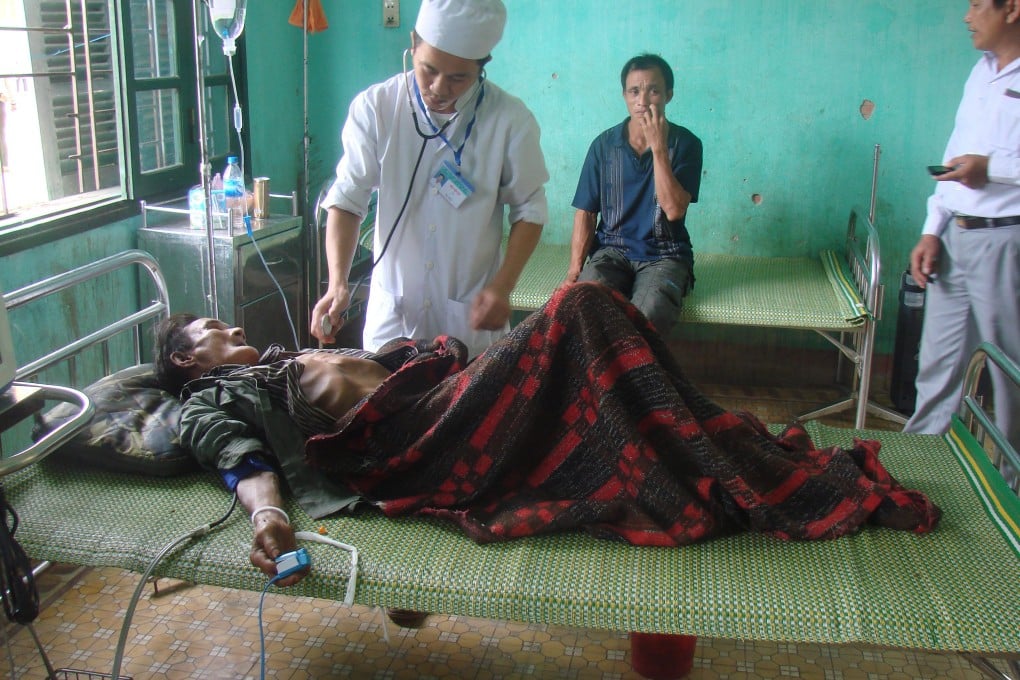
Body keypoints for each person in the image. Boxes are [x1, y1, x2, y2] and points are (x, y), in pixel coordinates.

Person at [158, 283, 940, 591]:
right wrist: (267, 516)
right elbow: (243, 461)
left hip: (444, 404)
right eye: (213, 330)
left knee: (590, 323)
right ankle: (721, 460)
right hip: (418, 447)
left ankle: (718, 446)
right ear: (188, 360)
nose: (232, 327)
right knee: (578, 308)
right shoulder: (215, 400)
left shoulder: (290, 355)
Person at [311, 0, 549, 358]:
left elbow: (530, 209)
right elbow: (347, 199)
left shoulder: (510, 120)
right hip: (394, 317)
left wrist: (503, 287)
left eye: (458, 78)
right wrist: (338, 282)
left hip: (468, 322)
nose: (439, 88)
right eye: (428, 70)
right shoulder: (377, 107)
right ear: (412, 44)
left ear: (482, 68)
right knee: (388, 405)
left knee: (466, 409)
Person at [904, 0, 1020, 451]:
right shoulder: (981, 73)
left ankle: (1011, 489)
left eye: (975, 4)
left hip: (1006, 240)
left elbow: (982, 165)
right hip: (956, 237)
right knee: (937, 366)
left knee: (1009, 373)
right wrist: (933, 227)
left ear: (1010, 8)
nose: (967, 16)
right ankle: (920, 469)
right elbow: (957, 153)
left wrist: (991, 169)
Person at [565, 54, 703, 335]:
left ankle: (632, 378)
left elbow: (674, 210)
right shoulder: (604, 146)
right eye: (634, 91)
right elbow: (587, 213)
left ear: (668, 95)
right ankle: (596, 379)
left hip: (665, 254)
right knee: (584, 306)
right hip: (611, 252)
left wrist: (659, 148)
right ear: (624, 96)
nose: (643, 101)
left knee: (646, 317)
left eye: (653, 90)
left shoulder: (686, 144)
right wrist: (574, 272)